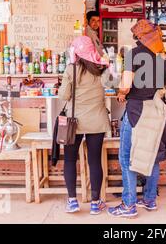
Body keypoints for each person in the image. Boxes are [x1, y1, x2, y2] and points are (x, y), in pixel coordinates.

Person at [108, 19, 166, 218]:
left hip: (137, 111)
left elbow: (126, 85)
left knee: (127, 157)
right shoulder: (164, 56)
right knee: (153, 155)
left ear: (139, 37)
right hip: (158, 110)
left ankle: (129, 205)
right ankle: (149, 200)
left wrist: (122, 92)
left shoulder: (134, 54)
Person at [58, 36, 110, 214]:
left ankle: (72, 201)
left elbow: (63, 96)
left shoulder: (71, 69)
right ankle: (95, 203)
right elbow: (114, 85)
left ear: (75, 52)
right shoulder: (102, 69)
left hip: (75, 122)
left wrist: (71, 65)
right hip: (97, 121)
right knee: (95, 161)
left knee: (70, 160)